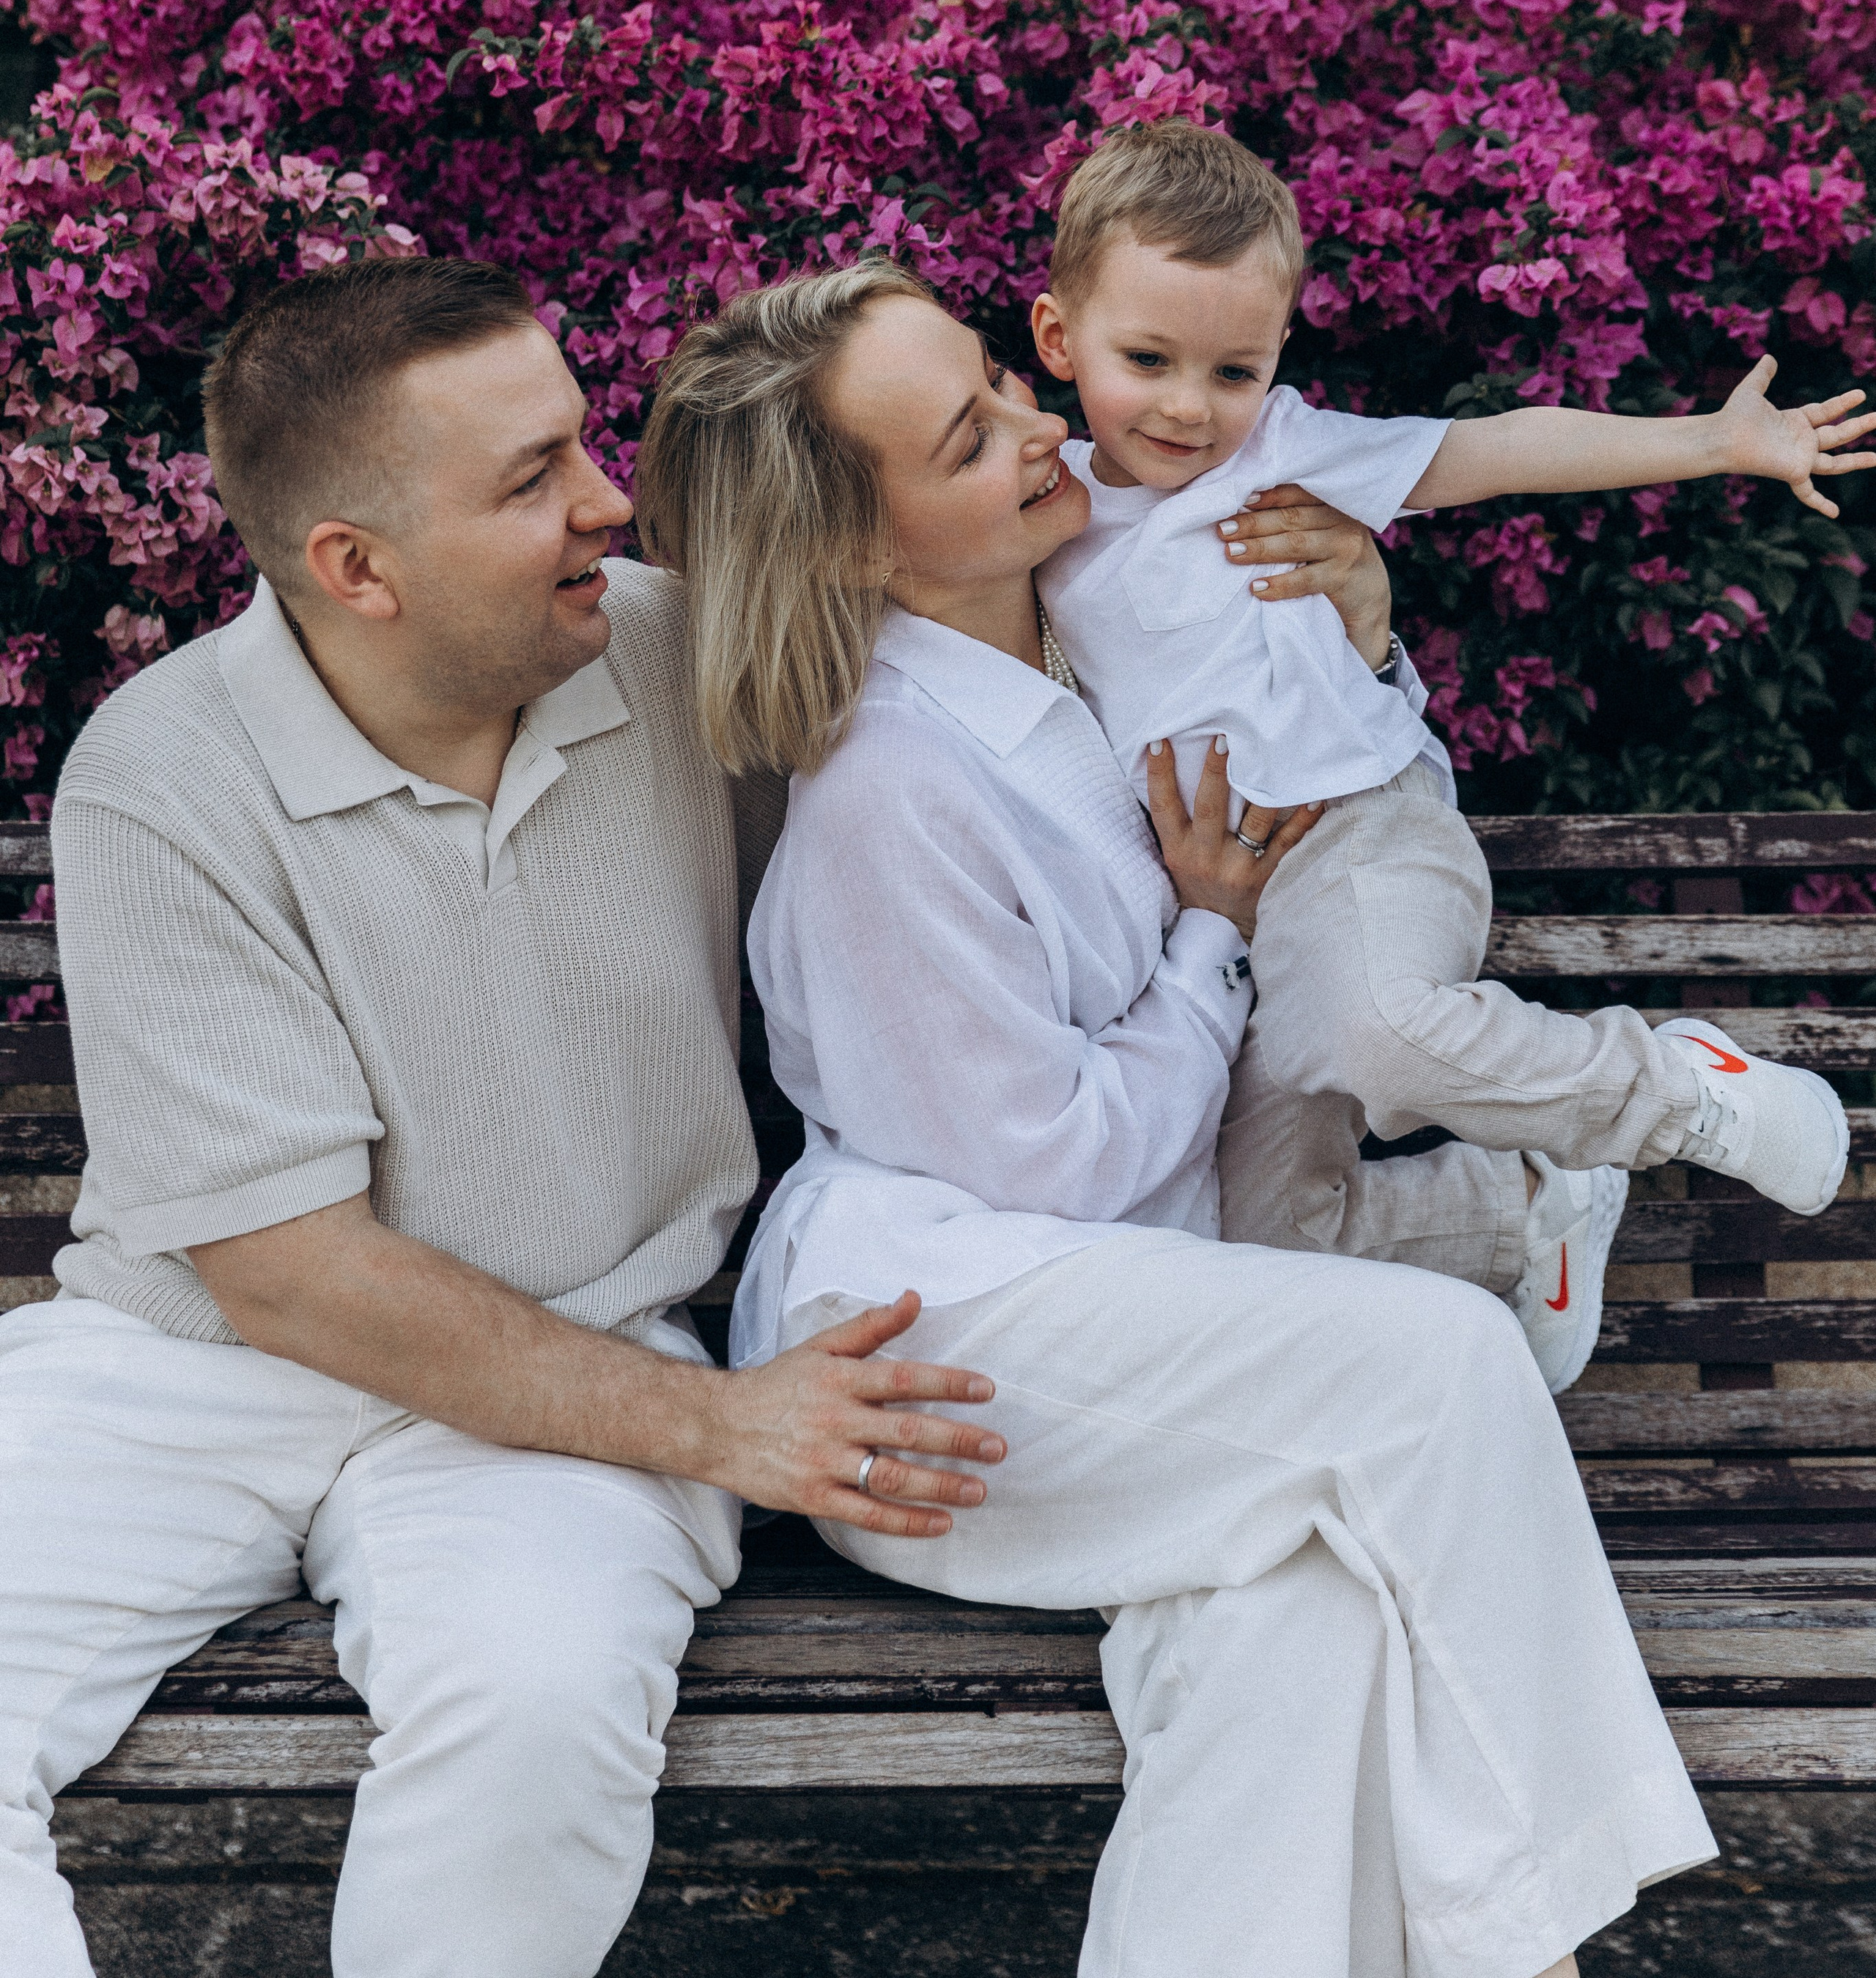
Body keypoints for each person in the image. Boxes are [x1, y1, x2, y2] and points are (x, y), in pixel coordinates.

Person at [634, 258, 1719, 1978]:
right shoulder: (889, 794)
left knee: (1300, 1627)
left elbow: (1329, 733)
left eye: (998, 378)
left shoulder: (1086, 618)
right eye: (968, 438)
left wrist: (1358, 612)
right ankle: (1544, 1929)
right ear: (858, 544)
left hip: (1131, 1321)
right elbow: (1060, 1157)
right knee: (1434, 1366)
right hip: (935, 1345)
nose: (1035, 425)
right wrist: (1208, 943)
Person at [0, 257, 1016, 1978]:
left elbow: (1000, 644)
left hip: (574, 1363)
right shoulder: (162, 776)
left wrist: (1321, 572)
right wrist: (724, 1433)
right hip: (199, 1362)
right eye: (531, 478)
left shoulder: (683, 656)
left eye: (581, 445)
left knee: (533, 1727)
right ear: (354, 570)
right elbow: (291, 1274)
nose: (608, 503)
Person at [1029, 119, 1862, 1385]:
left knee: (1380, 1030)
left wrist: (1710, 442)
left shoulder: (1284, 453)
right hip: (1227, 924)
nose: (1192, 408)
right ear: (1057, 339)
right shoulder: (1045, 518)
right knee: (1262, 1236)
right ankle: (1535, 1207)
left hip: (1359, 829)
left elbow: (1493, 449)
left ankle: (1680, 1086)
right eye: (1148, 359)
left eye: (1235, 370)